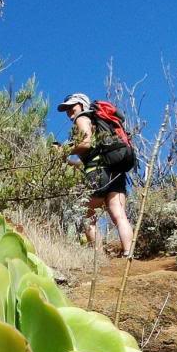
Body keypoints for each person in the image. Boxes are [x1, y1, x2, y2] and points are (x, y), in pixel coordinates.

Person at [57, 92, 134, 257]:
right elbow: (85, 161)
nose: (70, 111)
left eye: (72, 106)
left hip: (97, 173)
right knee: (119, 214)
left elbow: (86, 143)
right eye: (67, 109)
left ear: (83, 105)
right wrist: (66, 160)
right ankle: (129, 253)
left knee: (86, 216)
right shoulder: (99, 123)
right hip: (115, 170)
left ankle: (99, 258)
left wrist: (63, 149)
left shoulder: (82, 118)